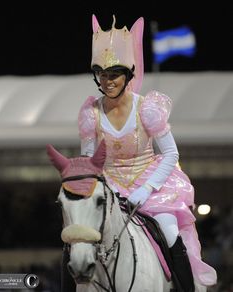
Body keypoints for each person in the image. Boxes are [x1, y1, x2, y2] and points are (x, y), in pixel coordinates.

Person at [78, 14, 217, 292]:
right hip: (110, 189)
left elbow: (171, 153)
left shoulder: (147, 109)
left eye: (114, 74)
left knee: (168, 231)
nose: (108, 81)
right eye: (103, 74)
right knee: (77, 242)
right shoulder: (91, 114)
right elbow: (89, 163)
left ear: (127, 74)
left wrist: (148, 188)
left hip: (151, 187)